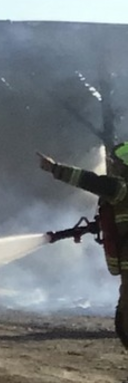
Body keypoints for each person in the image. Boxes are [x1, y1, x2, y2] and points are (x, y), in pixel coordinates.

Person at [38, 143, 128, 365]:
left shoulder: (120, 189)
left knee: (126, 320)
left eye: (116, 163)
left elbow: (89, 180)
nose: (113, 166)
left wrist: (55, 169)